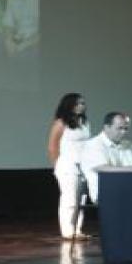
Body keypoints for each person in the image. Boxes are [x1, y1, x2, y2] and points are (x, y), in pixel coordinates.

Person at [47, 93, 91, 240]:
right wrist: (57, 166)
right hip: (67, 165)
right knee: (70, 198)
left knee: (82, 199)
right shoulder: (60, 123)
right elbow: (53, 147)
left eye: (83, 103)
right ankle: (68, 231)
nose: (81, 106)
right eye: (78, 103)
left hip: (84, 165)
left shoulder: (84, 123)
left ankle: (77, 229)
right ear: (69, 105)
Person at [80, 112, 132, 204]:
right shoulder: (93, 144)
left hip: (128, 191)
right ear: (106, 128)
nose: (123, 132)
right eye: (119, 128)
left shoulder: (129, 145)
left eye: (126, 128)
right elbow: (103, 169)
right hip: (105, 193)